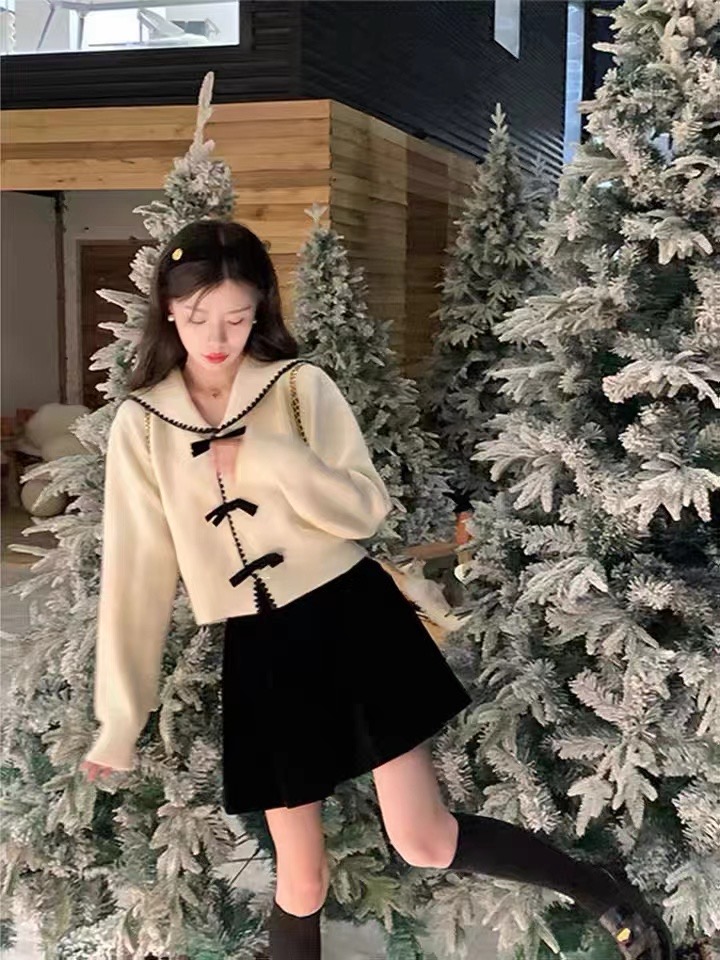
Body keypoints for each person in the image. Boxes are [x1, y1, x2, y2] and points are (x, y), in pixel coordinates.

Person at [79, 219, 674, 960]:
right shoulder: (142, 426)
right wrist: (119, 719)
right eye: (199, 317)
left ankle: (603, 889)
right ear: (169, 309)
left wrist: (268, 457)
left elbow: (364, 510)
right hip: (260, 650)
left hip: (350, 617)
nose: (218, 337)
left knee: (424, 840)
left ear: (261, 308)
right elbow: (135, 573)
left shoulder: (299, 389)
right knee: (300, 879)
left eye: (237, 317)